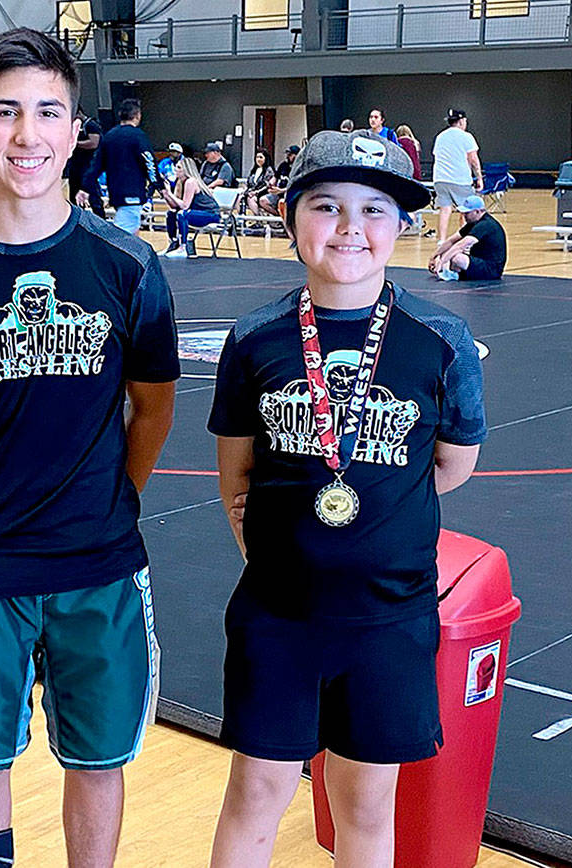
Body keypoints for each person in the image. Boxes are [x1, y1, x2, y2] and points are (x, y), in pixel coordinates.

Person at [0, 28, 179, 868]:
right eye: (5, 112)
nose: (27, 134)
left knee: (98, 757)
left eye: (48, 111)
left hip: (100, 561)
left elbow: (152, 408)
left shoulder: (127, 266)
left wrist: (112, 499)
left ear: (74, 129)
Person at [207, 129, 484, 868]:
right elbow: (236, 475)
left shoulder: (442, 339)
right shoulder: (255, 339)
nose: (350, 229)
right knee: (257, 792)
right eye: (326, 206)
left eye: (374, 210)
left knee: (365, 805)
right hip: (278, 616)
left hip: (388, 619)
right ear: (293, 216)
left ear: (400, 226)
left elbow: (453, 463)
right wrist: (278, 553)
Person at [77, 98, 155, 235]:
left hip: (116, 192)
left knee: (133, 232)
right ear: (137, 115)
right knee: (123, 234)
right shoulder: (138, 136)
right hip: (132, 192)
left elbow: (96, 165)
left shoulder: (109, 137)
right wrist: (159, 186)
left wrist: (85, 187)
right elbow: (149, 162)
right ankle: (108, 255)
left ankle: (133, 256)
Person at [432, 108, 482, 240]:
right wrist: (479, 177)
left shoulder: (440, 136)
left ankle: (441, 240)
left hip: (440, 179)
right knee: (465, 210)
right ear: (461, 121)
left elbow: (437, 155)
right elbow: (473, 159)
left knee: (445, 209)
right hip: (460, 179)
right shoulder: (467, 137)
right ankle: (463, 237)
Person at [428, 194, 506, 280]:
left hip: (492, 269)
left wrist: (442, 262)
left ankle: (456, 274)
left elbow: (461, 245)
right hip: (480, 261)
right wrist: (434, 256)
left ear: (477, 211)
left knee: (457, 257)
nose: (464, 216)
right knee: (451, 254)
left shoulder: (485, 225)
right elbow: (451, 241)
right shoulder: (473, 223)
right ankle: (458, 274)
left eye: (467, 213)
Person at [160, 156, 221, 259]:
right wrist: (166, 194)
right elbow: (175, 206)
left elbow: (184, 206)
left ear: (186, 170)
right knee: (171, 213)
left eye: (179, 167)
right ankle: (173, 243)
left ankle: (183, 248)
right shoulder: (181, 183)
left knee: (182, 214)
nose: (175, 169)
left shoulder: (191, 182)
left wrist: (170, 193)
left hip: (211, 215)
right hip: (197, 213)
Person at [67, 108, 104, 217]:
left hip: (87, 166)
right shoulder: (70, 126)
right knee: (74, 196)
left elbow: (94, 143)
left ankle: (101, 221)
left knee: (93, 196)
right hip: (74, 166)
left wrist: (75, 143)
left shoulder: (91, 125)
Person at [258, 145, 299, 216]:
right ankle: (279, 216)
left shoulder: (299, 168)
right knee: (263, 200)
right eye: (287, 154)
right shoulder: (283, 165)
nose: (287, 156)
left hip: (291, 194)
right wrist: (270, 184)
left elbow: (297, 186)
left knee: (283, 201)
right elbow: (275, 177)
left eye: (290, 155)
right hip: (278, 193)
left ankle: (285, 219)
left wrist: (282, 190)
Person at [242, 149, 275, 216]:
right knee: (239, 197)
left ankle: (257, 219)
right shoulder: (254, 170)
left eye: (261, 157)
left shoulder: (269, 170)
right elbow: (249, 183)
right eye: (257, 157)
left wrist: (256, 192)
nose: (258, 159)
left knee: (251, 199)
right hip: (251, 191)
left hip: (262, 192)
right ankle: (241, 220)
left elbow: (267, 185)